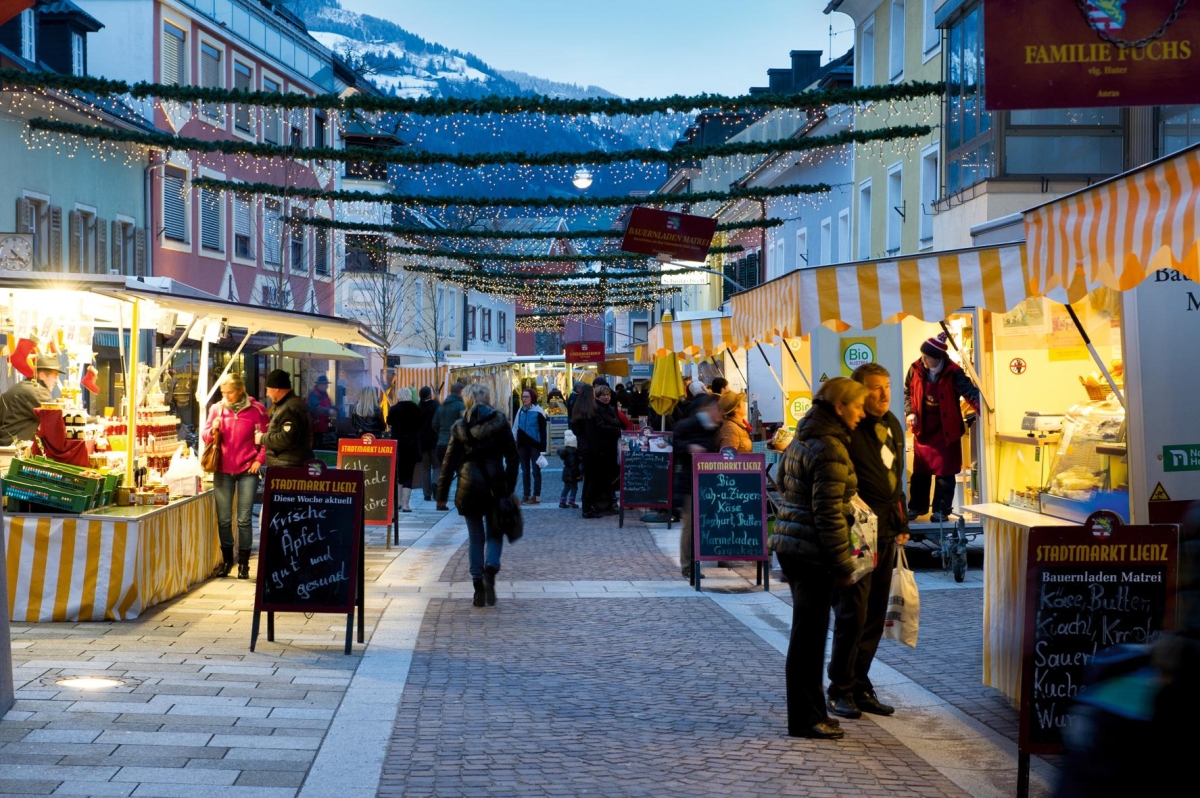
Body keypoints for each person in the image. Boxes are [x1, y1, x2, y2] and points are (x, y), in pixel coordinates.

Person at [771, 376, 869, 740]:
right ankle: (807, 719)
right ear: (840, 407)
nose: (862, 413)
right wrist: (844, 565)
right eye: (858, 406)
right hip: (812, 552)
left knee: (806, 636)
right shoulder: (830, 446)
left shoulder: (803, 436)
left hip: (792, 544)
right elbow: (827, 513)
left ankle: (810, 713)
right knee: (809, 640)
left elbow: (782, 481)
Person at [827, 363, 912, 720]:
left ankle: (860, 684)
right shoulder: (850, 425)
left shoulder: (892, 422)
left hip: (887, 527)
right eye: (875, 389)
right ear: (859, 392)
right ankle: (839, 688)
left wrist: (901, 515)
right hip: (857, 527)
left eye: (887, 386)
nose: (883, 394)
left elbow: (896, 474)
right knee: (854, 611)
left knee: (876, 611)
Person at [435, 382, 519, 608]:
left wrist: (441, 494)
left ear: (468, 401)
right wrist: (508, 486)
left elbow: (448, 462)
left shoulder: (460, 426)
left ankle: (477, 587)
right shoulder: (501, 423)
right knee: (494, 532)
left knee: (475, 537)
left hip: (468, 486)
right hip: (495, 485)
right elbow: (513, 457)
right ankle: (490, 567)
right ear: (488, 399)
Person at [904, 332, 981, 522]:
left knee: (945, 473)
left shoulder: (953, 371)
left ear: (937, 358)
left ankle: (941, 510)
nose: (923, 359)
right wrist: (910, 412)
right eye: (922, 356)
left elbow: (969, 391)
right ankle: (916, 507)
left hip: (946, 429)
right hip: (924, 428)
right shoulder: (915, 368)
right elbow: (907, 392)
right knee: (920, 472)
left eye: (926, 357)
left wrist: (982, 409)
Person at [201, 373, 268, 580]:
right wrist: (213, 430)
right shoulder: (216, 410)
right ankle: (228, 560)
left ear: (240, 390)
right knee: (223, 519)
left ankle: (244, 564)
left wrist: (259, 460)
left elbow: (267, 438)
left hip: (247, 469)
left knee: (244, 519)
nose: (226, 396)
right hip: (222, 469)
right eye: (223, 393)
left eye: (230, 392)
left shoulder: (257, 410)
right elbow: (205, 437)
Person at [672, 394, 720, 580]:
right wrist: (689, 447)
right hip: (689, 483)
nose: (719, 413)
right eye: (716, 409)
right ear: (706, 409)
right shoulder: (688, 425)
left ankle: (695, 562)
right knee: (690, 525)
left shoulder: (713, 427)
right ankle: (688, 566)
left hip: (706, 483)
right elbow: (674, 444)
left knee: (699, 525)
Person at [570, 383, 621, 518]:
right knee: (591, 480)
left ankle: (588, 506)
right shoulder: (588, 415)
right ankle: (587, 508)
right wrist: (598, 451)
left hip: (585, 450)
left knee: (589, 480)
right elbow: (592, 436)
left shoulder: (579, 412)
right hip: (591, 451)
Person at [0, 355, 60, 445]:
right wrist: (83, 417)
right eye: (55, 376)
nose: (57, 381)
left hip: (9, 443)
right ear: (42, 375)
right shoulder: (37, 390)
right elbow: (57, 416)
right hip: (15, 448)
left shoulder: (26, 386)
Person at [259, 369, 313, 468]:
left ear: (277, 389)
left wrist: (262, 438)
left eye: (268, 389)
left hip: (287, 467)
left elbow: (287, 439)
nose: (266, 394)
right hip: (286, 464)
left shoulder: (290, 408)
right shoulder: (287, 405)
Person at [386, 387, 422, 513]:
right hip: (412, 445)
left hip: (398, 445)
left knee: (398, 474)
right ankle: (406, 504)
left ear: (399, 395)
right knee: (408, 474)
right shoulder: (416, 408)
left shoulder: (394, 408)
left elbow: (389, 421)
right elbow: (420, 425)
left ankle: (398, 503)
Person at [433, 381, 466, 511]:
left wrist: (442, 434)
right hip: (455, 445)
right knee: (461, 473)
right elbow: (463, 425)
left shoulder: (441, 406)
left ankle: (440, 502)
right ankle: (460, 501)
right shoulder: (460, 406)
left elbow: (434, 424)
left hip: (441, 444)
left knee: (445, 474)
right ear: (460, 392)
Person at [512, 387, 548, 505]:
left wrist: (543, 449)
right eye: (523, 397)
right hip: (522, 446)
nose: (524, 399)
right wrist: (513, 442)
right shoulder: (520, 410)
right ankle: (526, 495)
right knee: (525, 471)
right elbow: (516, 427)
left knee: (536, 471)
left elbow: (543, 431)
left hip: (535, 446)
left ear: (532, 397)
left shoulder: (539, 411)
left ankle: (536, 496)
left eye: (527, 396)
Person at [417, 386, 441, 502]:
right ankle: (435, 483)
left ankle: (426, 493)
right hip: (435, 439)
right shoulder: (436, 406)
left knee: (425, 469)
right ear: (430, 395)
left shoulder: (418, 407)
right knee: (437, 466)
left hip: (422, 441)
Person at [307, 374, 337, 449]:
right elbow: (315, 408)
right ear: (319, 385)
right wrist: (329, 410)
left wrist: (335, 408)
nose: (327, 386)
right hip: (314, 429)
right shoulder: (313, 395)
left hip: (322, 428)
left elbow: (327, 406)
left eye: (327, 384)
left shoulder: (324, 395)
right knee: (315, 448)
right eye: (325, 384)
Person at [558, 429, 582, 509]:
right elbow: (575, 466)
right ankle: (572, 501)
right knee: (574, 487)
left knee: (566, 487)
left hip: (565, 473)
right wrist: (579, 474)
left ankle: (562, 501)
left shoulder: (564, 452)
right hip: (573, 474)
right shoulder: (574, 453)